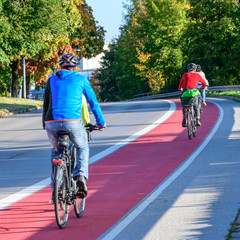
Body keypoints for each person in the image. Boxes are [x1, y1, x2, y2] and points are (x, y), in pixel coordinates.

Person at [43, 53, 106, 199]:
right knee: (82, 146)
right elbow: (93, 102)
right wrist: (101, 123)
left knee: (55, 152)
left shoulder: (51, 80)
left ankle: (55, 190)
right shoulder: (81, 79)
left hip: (51, 122)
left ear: (60, 67)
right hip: (72, 122)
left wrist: (45, 125)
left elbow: (46, 103)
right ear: (75, 67)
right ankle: (81, 176)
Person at [178, 63, 206, 127]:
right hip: (194, 91)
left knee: (184, 106)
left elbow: (180, 85)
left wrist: (180, 89)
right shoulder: (197, 75)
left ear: (188, 69)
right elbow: (204, 83)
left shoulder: (185, 75)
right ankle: (197, 120)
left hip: (185, 91)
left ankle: (184, 119)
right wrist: (201, 88)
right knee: (197, 105)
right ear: (195, 69)